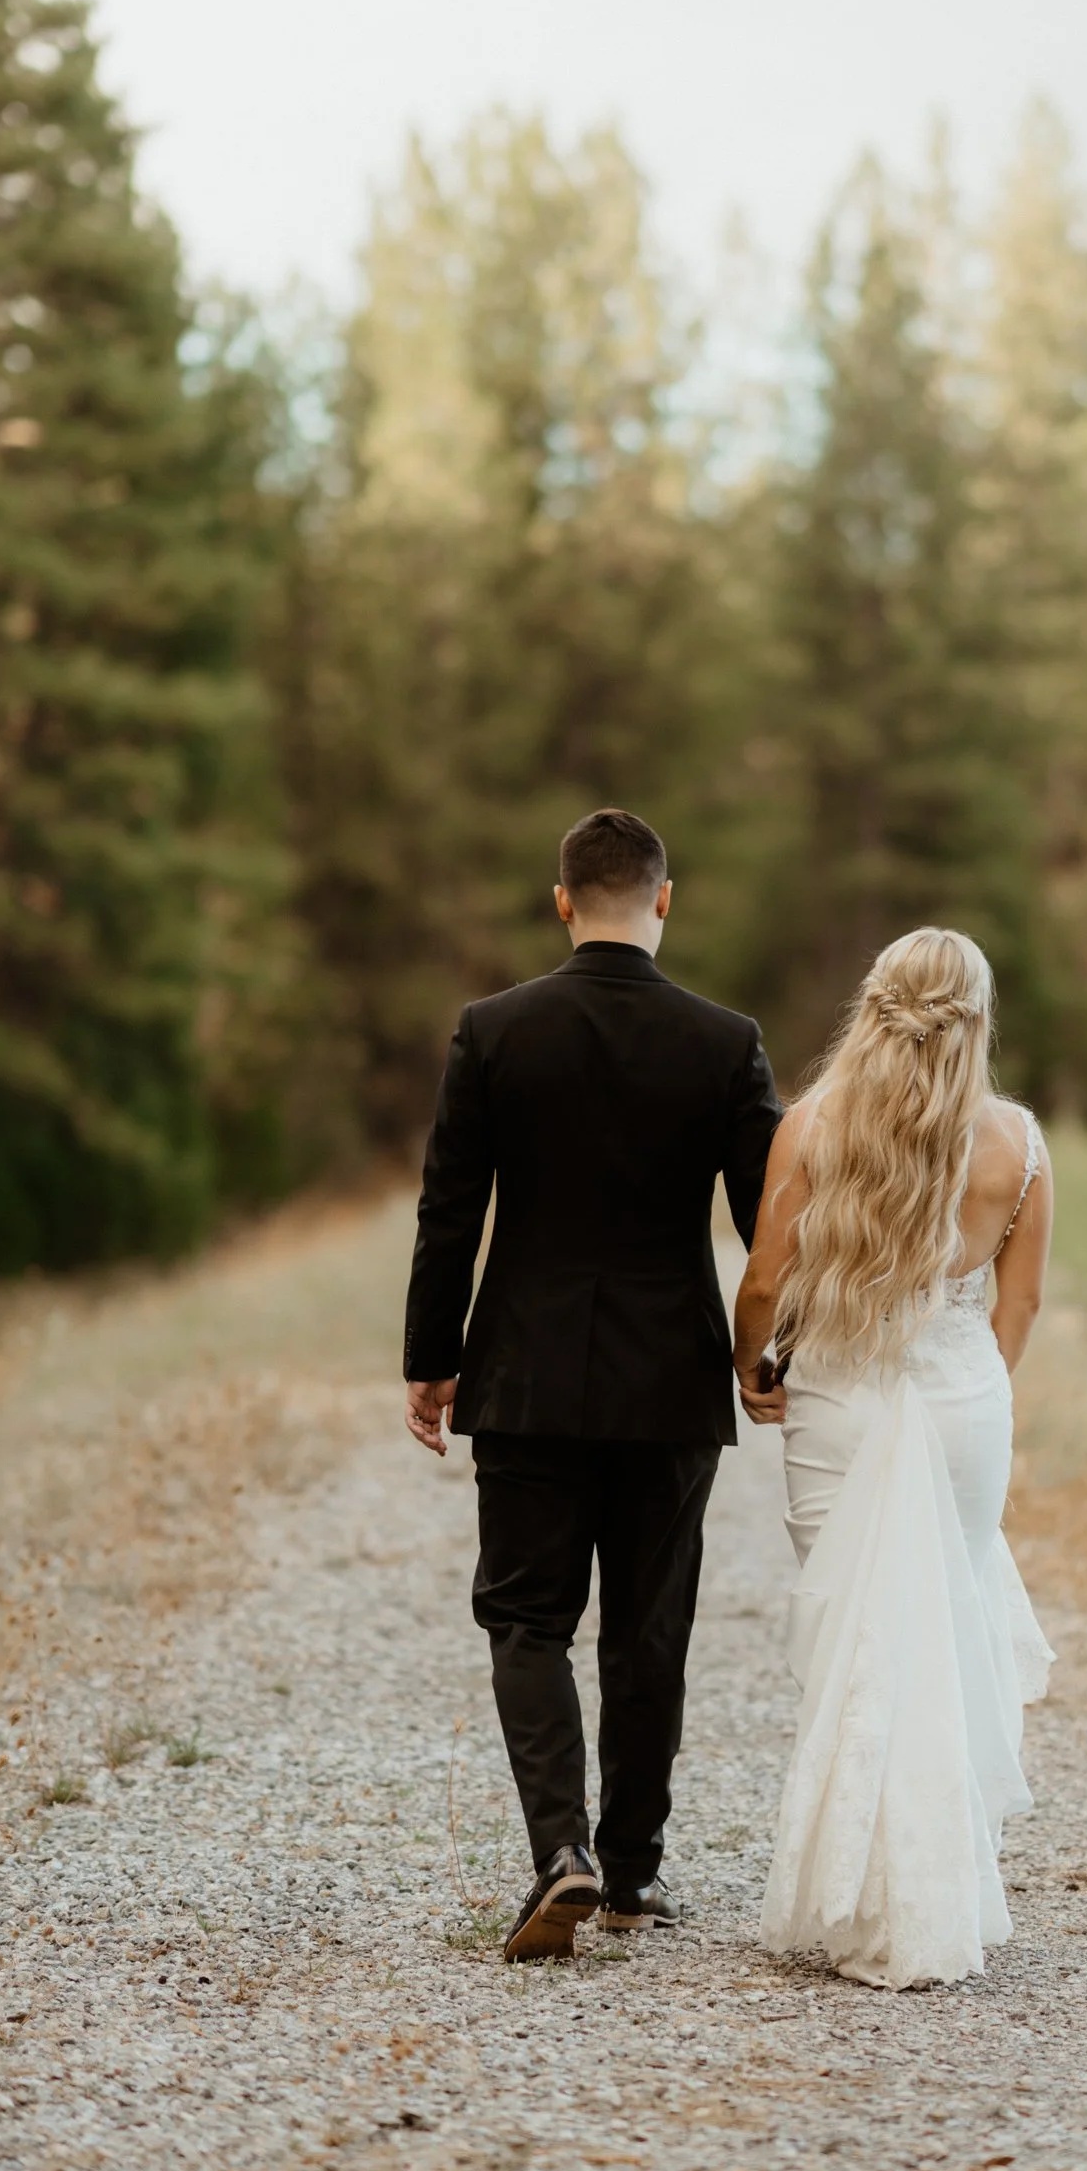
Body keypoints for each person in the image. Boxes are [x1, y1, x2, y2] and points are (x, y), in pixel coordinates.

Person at [403, 809, 781, 1962]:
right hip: (668, 1383)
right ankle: (628, 1872)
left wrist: (431, 1359)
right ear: (664, 900)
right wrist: (770, 1352)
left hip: (522, 1371)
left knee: (525, 1615)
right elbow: (773, 1225)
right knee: (648, 1629)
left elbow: (448, 1210)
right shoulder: (725, 1043)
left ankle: (556, 1852)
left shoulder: (493, 1031)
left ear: (561, 900)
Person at [732, 927, 1055, 1990]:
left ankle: (870, 1896)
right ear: (976, 1019)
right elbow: (1018, 1304)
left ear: (873, 1007)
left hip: (839, 1398)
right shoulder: (1017, 1144)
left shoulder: (814, 1126)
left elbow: (766, 1281)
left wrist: (753, 1368)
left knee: (854, 1634)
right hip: (965, 1404)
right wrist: (968, 1383)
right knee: (944, 1628)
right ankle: (933, 1889)